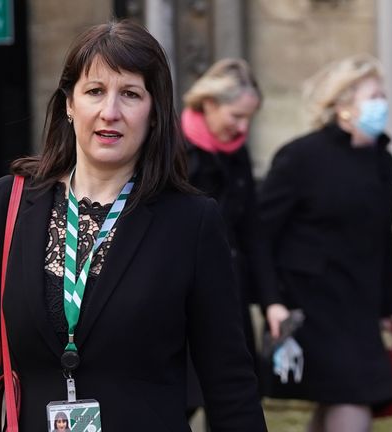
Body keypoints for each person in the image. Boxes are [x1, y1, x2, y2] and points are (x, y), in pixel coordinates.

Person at [0, 20, 266, 431]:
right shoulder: (4, 203)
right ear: (69, 104)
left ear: (155, 112)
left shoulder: (191, 222)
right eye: (95, 91)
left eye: (130, 94)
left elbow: (228, 379)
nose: (111, 112)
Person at [258, 54, 392, 432]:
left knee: (342, 396)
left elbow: (383, 237)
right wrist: (272, 301)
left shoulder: (382, 162)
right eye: (374, 95)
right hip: (312, 302)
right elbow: (261, 234)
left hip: (359, 301)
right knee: (354, 393)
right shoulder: (301, 157)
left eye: (383, 95)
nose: (383, 104)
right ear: (343, 105)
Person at [179, 58, 266, 415]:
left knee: (233, 399)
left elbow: (252, 229)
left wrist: (271, 300)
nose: (243, 127)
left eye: (249, 118)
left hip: (230, 289)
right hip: (179, 294)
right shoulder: (171, 149)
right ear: (210, 103)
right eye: (236, 116)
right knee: (181, 400)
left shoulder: (238, 153)